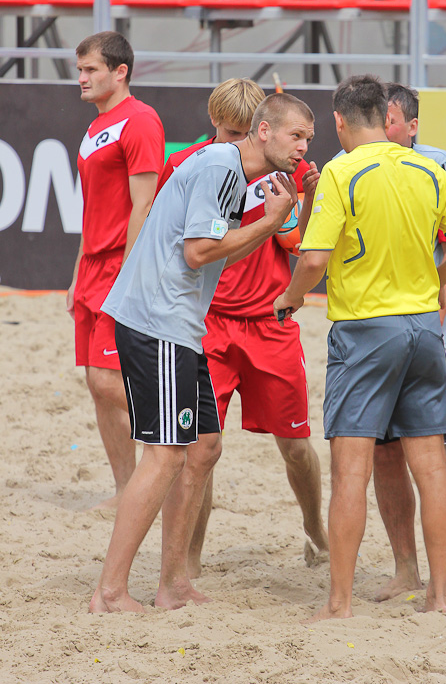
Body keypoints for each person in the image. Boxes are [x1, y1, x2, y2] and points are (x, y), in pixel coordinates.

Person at [90, 92, 315, 613]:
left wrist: (281, 214)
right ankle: (110, 591)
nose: (304, 147)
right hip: (158, 322)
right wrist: (269, 222)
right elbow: (198, 253)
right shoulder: (219, 166)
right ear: (263, 131)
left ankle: (174, 584)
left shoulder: (236, 172)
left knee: (205, 446)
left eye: (308, 138)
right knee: (166, 454)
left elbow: (241, 250)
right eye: (296, 136)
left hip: (180, 325)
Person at [274, 74, 446, 620]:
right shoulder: (426, 168)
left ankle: (339, 604)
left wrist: (291, 298)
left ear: (340, 121)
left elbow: (314, 258)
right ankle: (441, 596)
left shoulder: (341, 171)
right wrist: (436, 283)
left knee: (351, 471)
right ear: (384, 116)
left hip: (366, 330)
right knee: (432, 468)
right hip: (424, 328)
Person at [156, 79, 328, 579]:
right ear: (216, 123)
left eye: (243, 133)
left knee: (295, 446)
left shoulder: (276, 170)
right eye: (230, 133)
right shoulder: (188, 163)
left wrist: (308, 196)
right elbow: (170, 238)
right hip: (206, 324)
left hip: (268, 323)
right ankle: (188, 562)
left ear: (260, 130)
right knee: (199, 450)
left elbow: (297, 242)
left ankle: (315, 530)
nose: (237, 143)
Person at [373, 83, 446, 605]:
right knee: (384, 453)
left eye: (391, 119)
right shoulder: (356, 163)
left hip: (428, 330)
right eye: (379, 118)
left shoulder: (438, 164)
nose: (384, 127)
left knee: (439, 451)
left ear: (412, 126)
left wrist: (434, 313)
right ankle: (405, 568)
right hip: (375, 332)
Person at [67, 31, 164, 508]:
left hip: (119, 267)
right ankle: (126, 489)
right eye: (80, 70)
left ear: (120, 71)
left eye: (91, 70)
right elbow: (93, 209)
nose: (81, 78)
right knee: (96, 383)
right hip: (92, 267)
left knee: (109, 380)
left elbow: (143, 205)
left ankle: (177, 435)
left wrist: (126, 275)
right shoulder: (96, 126)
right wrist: (75, 276)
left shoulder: (140, 120)